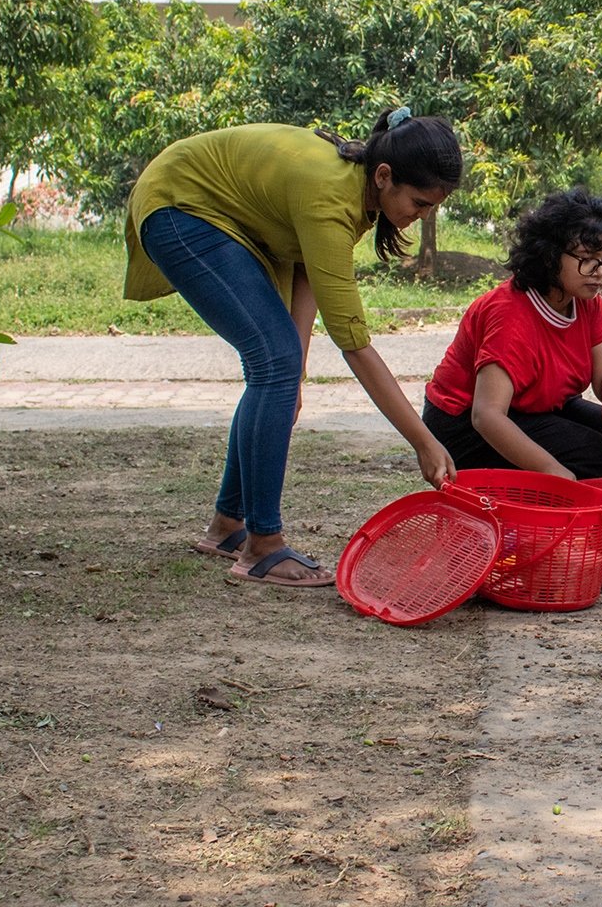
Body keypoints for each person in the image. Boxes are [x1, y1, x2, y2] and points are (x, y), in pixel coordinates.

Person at [124, 109, 463, 589]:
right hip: (180, 206)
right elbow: (354, 343)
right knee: (273, 363)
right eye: (419, 202)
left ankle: (228, 526)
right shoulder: (330, 196)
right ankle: (262, 545)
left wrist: (295, 375)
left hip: (210, 211)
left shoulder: (359, 191)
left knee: (276, 365)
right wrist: (424, 442)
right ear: (384, 177)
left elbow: (306, 270)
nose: (423, 214)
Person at [423, 189, 602, 480]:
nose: (600, 272)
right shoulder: (511, 313)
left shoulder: (587, 302)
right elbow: (486, 415)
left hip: (536, 407)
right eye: (587, 259)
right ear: (550, 255)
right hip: (464, 426)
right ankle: (565, 517)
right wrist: (552, 470)